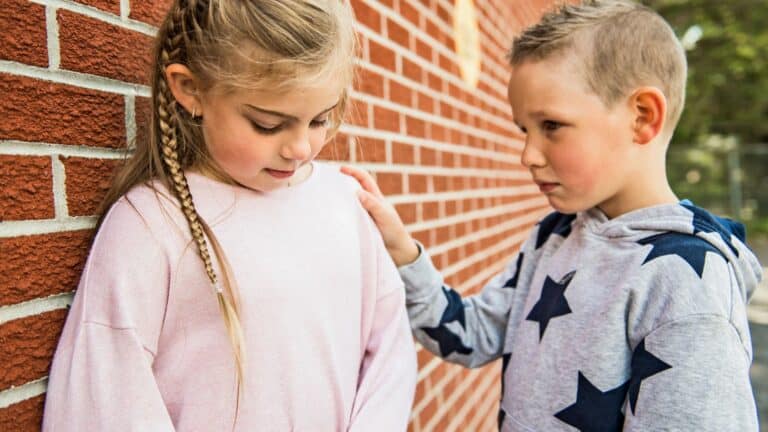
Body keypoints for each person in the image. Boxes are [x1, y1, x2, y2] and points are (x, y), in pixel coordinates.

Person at [342, 0, 763, 430]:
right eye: (524, 129)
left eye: (552, 126)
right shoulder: (555, 234)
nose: (527, 155)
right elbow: (467, 335)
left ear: (642, 117)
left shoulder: (687, 281)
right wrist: (403, 253)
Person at [42, 1, 417, 430]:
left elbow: (390, 348)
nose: (300, 148)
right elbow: (105, 397)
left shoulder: (346, 200)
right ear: (191, 90)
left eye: (320, 119)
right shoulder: (151, 222)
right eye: (268, 124)